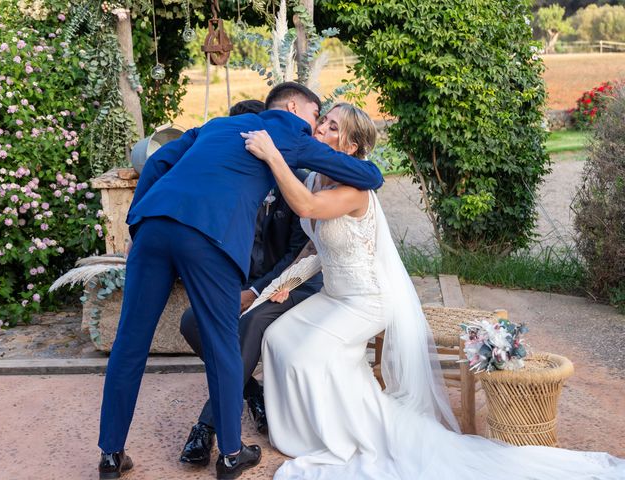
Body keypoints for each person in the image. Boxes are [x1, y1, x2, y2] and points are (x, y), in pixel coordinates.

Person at [241, 103, 625, 480]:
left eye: (333, 127)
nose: (321, 128)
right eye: (322, 121)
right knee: (277, 337)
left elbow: (307, 209)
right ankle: (298, 433)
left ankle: (342, 437)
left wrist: (274, 155)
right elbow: (318, 248)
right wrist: (286, 282)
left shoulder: (356, 189)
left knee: (309, 354)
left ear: (351, 146)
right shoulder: (313, 179)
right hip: (334, 295)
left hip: (367, 299)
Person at [96, 84, 384, 480]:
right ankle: (231, 454)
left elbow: (160, 160)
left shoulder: (217, 125)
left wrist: (137, 221)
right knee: (223, 343)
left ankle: (110, 455)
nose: (315, 128)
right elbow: (370, 175)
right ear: (296, 107)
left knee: (129, 343)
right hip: (206, 237)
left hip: (152, 226)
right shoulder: (287, 133)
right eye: (317, 116)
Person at [178, 99, 323, 467]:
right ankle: (251, 392)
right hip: (240, 285)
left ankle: (206, 428)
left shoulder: (294, 178)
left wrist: (255, 291)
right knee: (192, 321)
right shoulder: (225, 181)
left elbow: (296, 254)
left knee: (253, 322)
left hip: (292, 283)